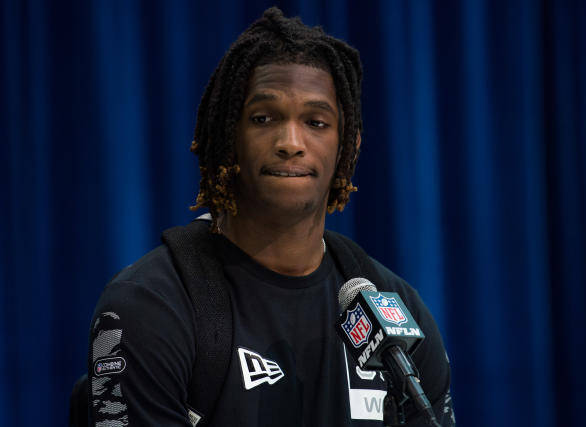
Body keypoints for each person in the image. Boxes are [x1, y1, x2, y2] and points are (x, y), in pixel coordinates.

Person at [88, 7, 455, 427]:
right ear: (228, 137)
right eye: (264, 119)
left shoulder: (398, 312)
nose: (290, 142)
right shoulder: (151, 305)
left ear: (348, 148)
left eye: (316, 122)